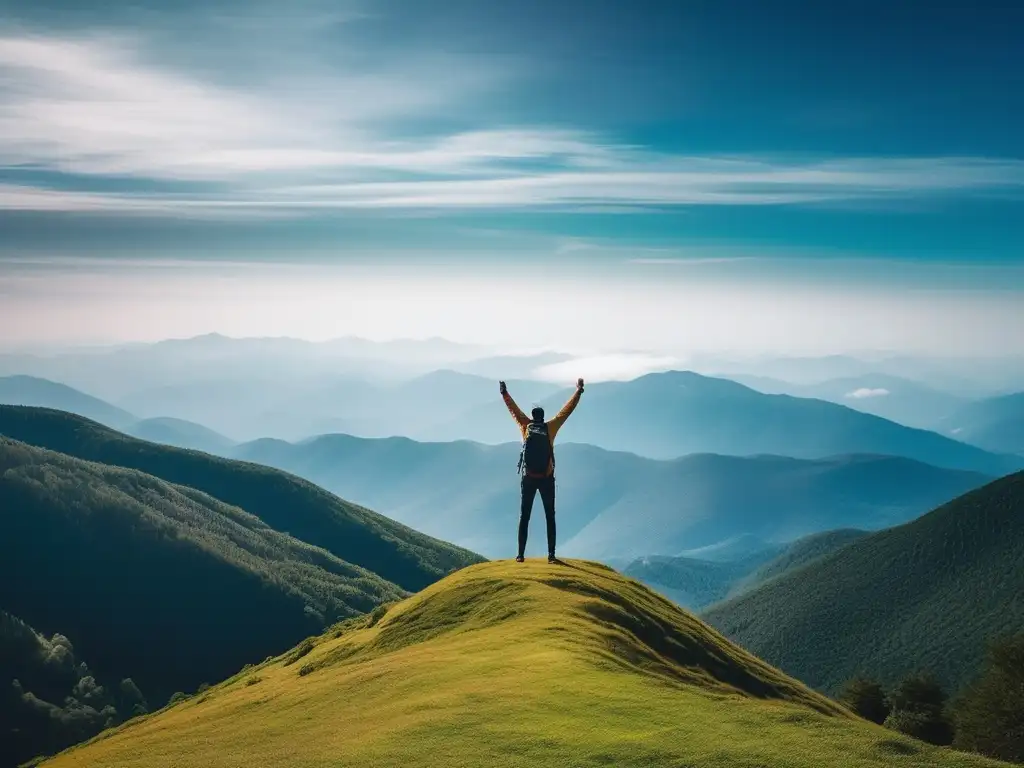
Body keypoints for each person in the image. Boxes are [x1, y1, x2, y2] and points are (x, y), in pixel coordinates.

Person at [500, 378, 584, 564]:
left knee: (524, 516)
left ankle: (520, 555)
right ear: (543, 417)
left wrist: (504, 393)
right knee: (550, 516)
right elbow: (566, 412)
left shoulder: (525, 426)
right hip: (546, 479)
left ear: (532, 416)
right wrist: (578, 391)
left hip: (528, 478)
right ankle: (551, 556)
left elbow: (513, 410)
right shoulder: (550, 427)